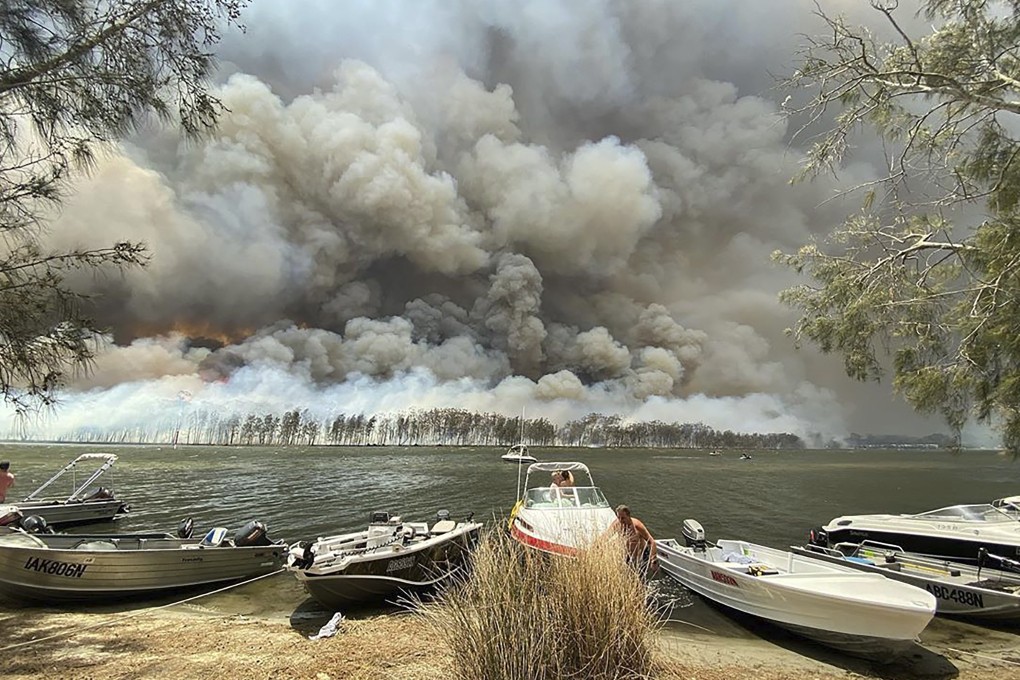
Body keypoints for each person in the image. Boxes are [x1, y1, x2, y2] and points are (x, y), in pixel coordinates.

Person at [608, 504, 657, 574]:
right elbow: (605, 537)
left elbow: (652, 542)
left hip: (641, 555)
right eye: (619, 517)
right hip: (628, 554)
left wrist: (653, 559)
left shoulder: (637, 526)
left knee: (640, 578)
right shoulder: (617, 524)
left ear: (628, 516)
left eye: (623, 518)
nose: (620, 520)